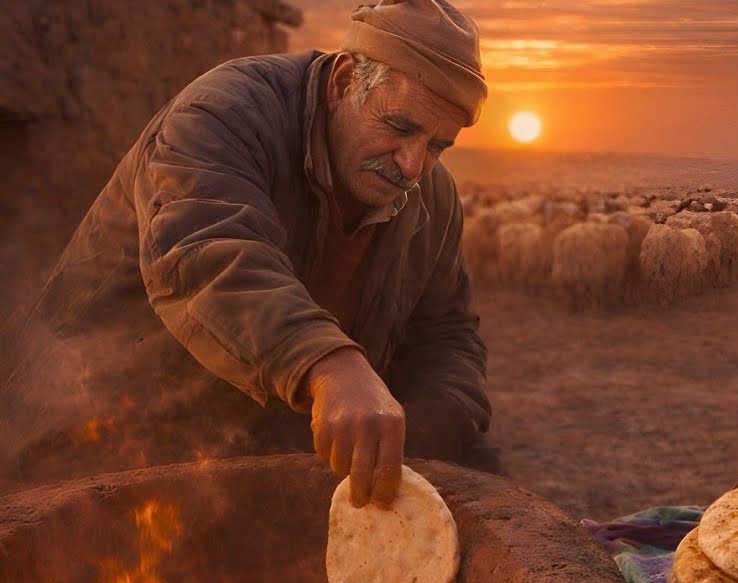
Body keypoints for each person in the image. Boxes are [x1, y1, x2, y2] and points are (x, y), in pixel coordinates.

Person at [0, 0, 503, 505]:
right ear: (345, 81)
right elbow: (206, 257)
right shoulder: (222, 116)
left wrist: (411, 443)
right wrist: (331, 366)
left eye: (437, 146)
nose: (413, 165)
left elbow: (445, 335)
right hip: (108, 447)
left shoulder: (432, 197)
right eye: (399, 127)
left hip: (251, 473)